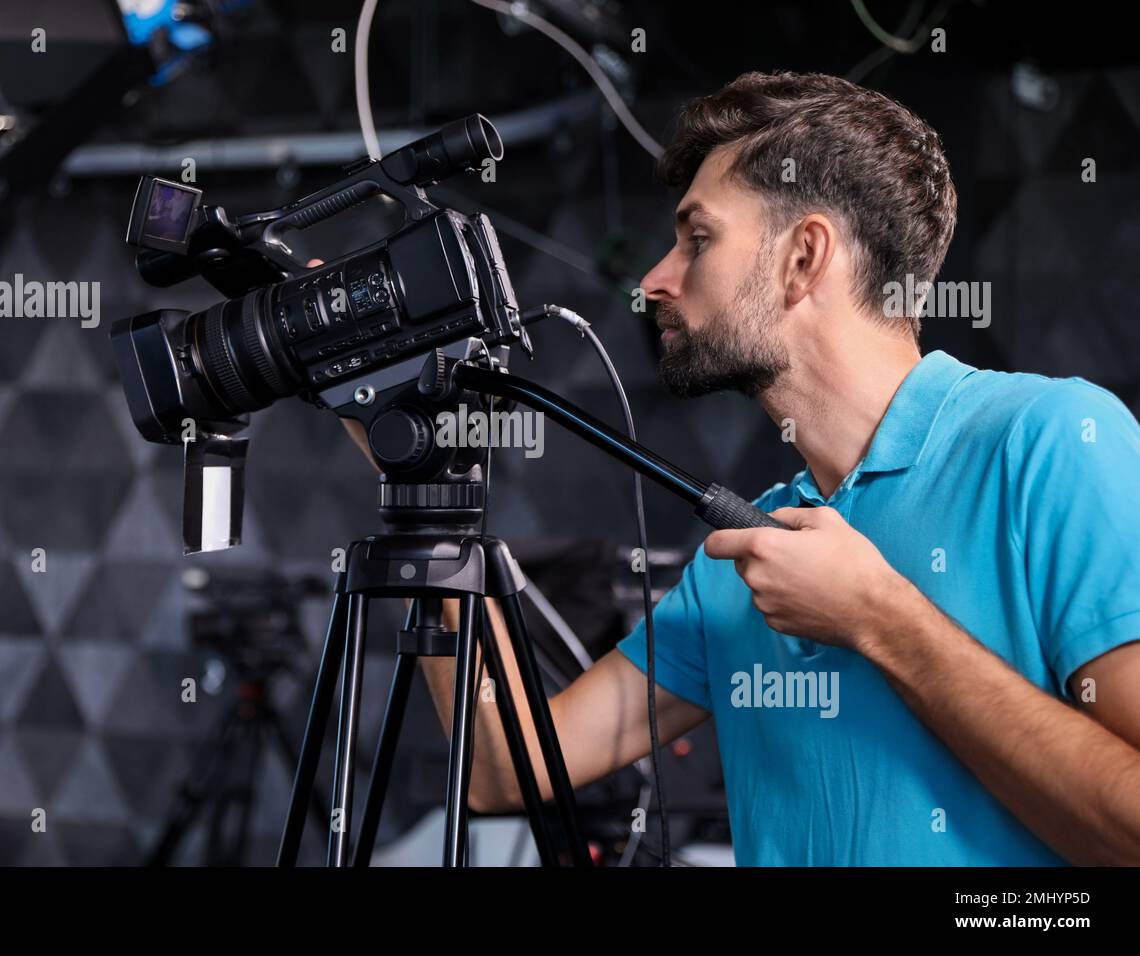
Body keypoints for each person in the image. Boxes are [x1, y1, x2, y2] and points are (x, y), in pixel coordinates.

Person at [343, 71, 1140, 865]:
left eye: (698, 238)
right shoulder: (748, 552)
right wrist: (428, 502)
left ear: (804, 257)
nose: (654, 279)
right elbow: (499, 769)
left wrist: (880, 619)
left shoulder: (1051, 440)